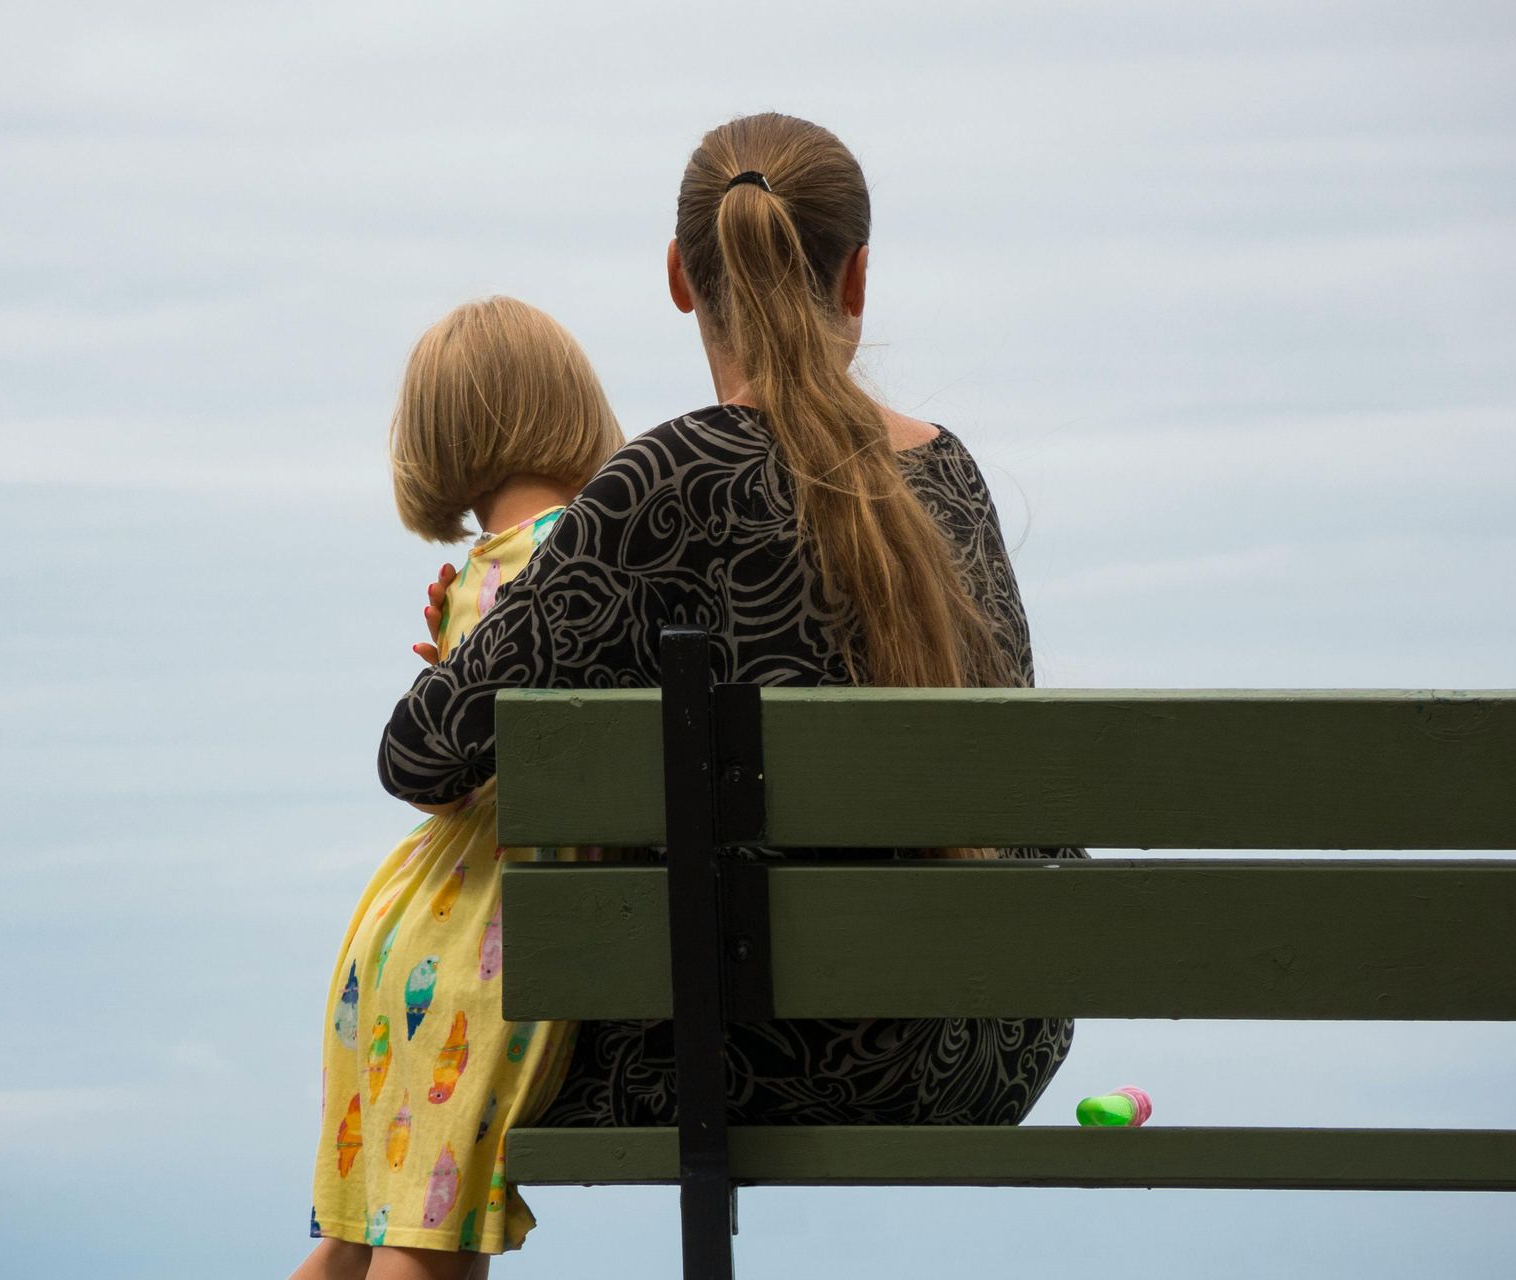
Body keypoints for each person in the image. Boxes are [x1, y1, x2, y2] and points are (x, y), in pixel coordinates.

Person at [379, 112, 1084, 1140]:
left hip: (751, 1060)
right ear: (857, 279)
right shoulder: (953, 475)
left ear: (680, 274)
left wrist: (482, 645)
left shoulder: (663, 484)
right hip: (992, 1049)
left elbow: (422, 754)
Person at [293, 297, 625, 1280]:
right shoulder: (597, 557)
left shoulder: (476, 582)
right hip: (496, 942)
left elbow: (446, 791)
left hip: (400, 932)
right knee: (429, 1249)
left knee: (357, 1239)